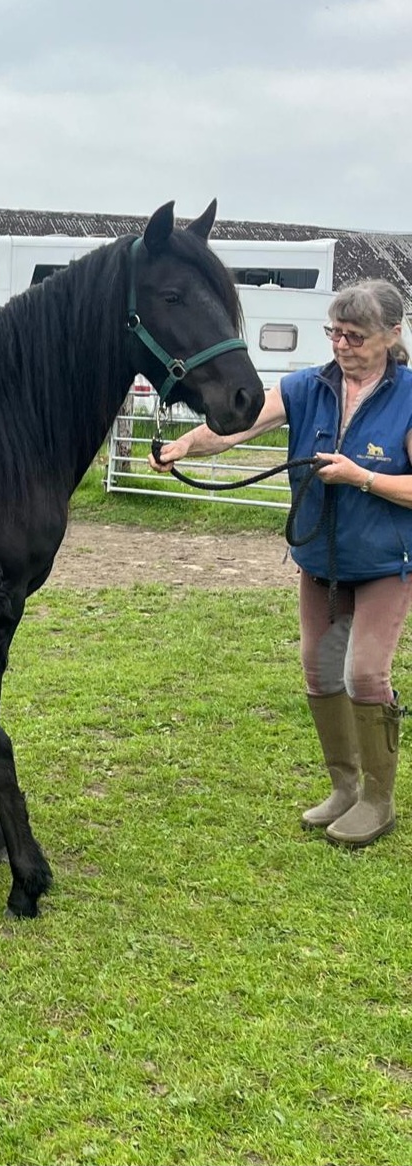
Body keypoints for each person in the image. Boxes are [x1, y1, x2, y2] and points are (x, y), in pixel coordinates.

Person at [149, 279, 412, 847]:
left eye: (356, 336)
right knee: (319, 674)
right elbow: (239, 425)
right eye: (335, 333)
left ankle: (377, 800)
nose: (343, 346)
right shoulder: (308, 386)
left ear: (393, 336)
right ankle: (343, 788)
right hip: (319, 558)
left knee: (364, 675)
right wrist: (186, 445)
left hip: (386, 563)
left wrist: (360, 476)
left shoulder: (410, 397)